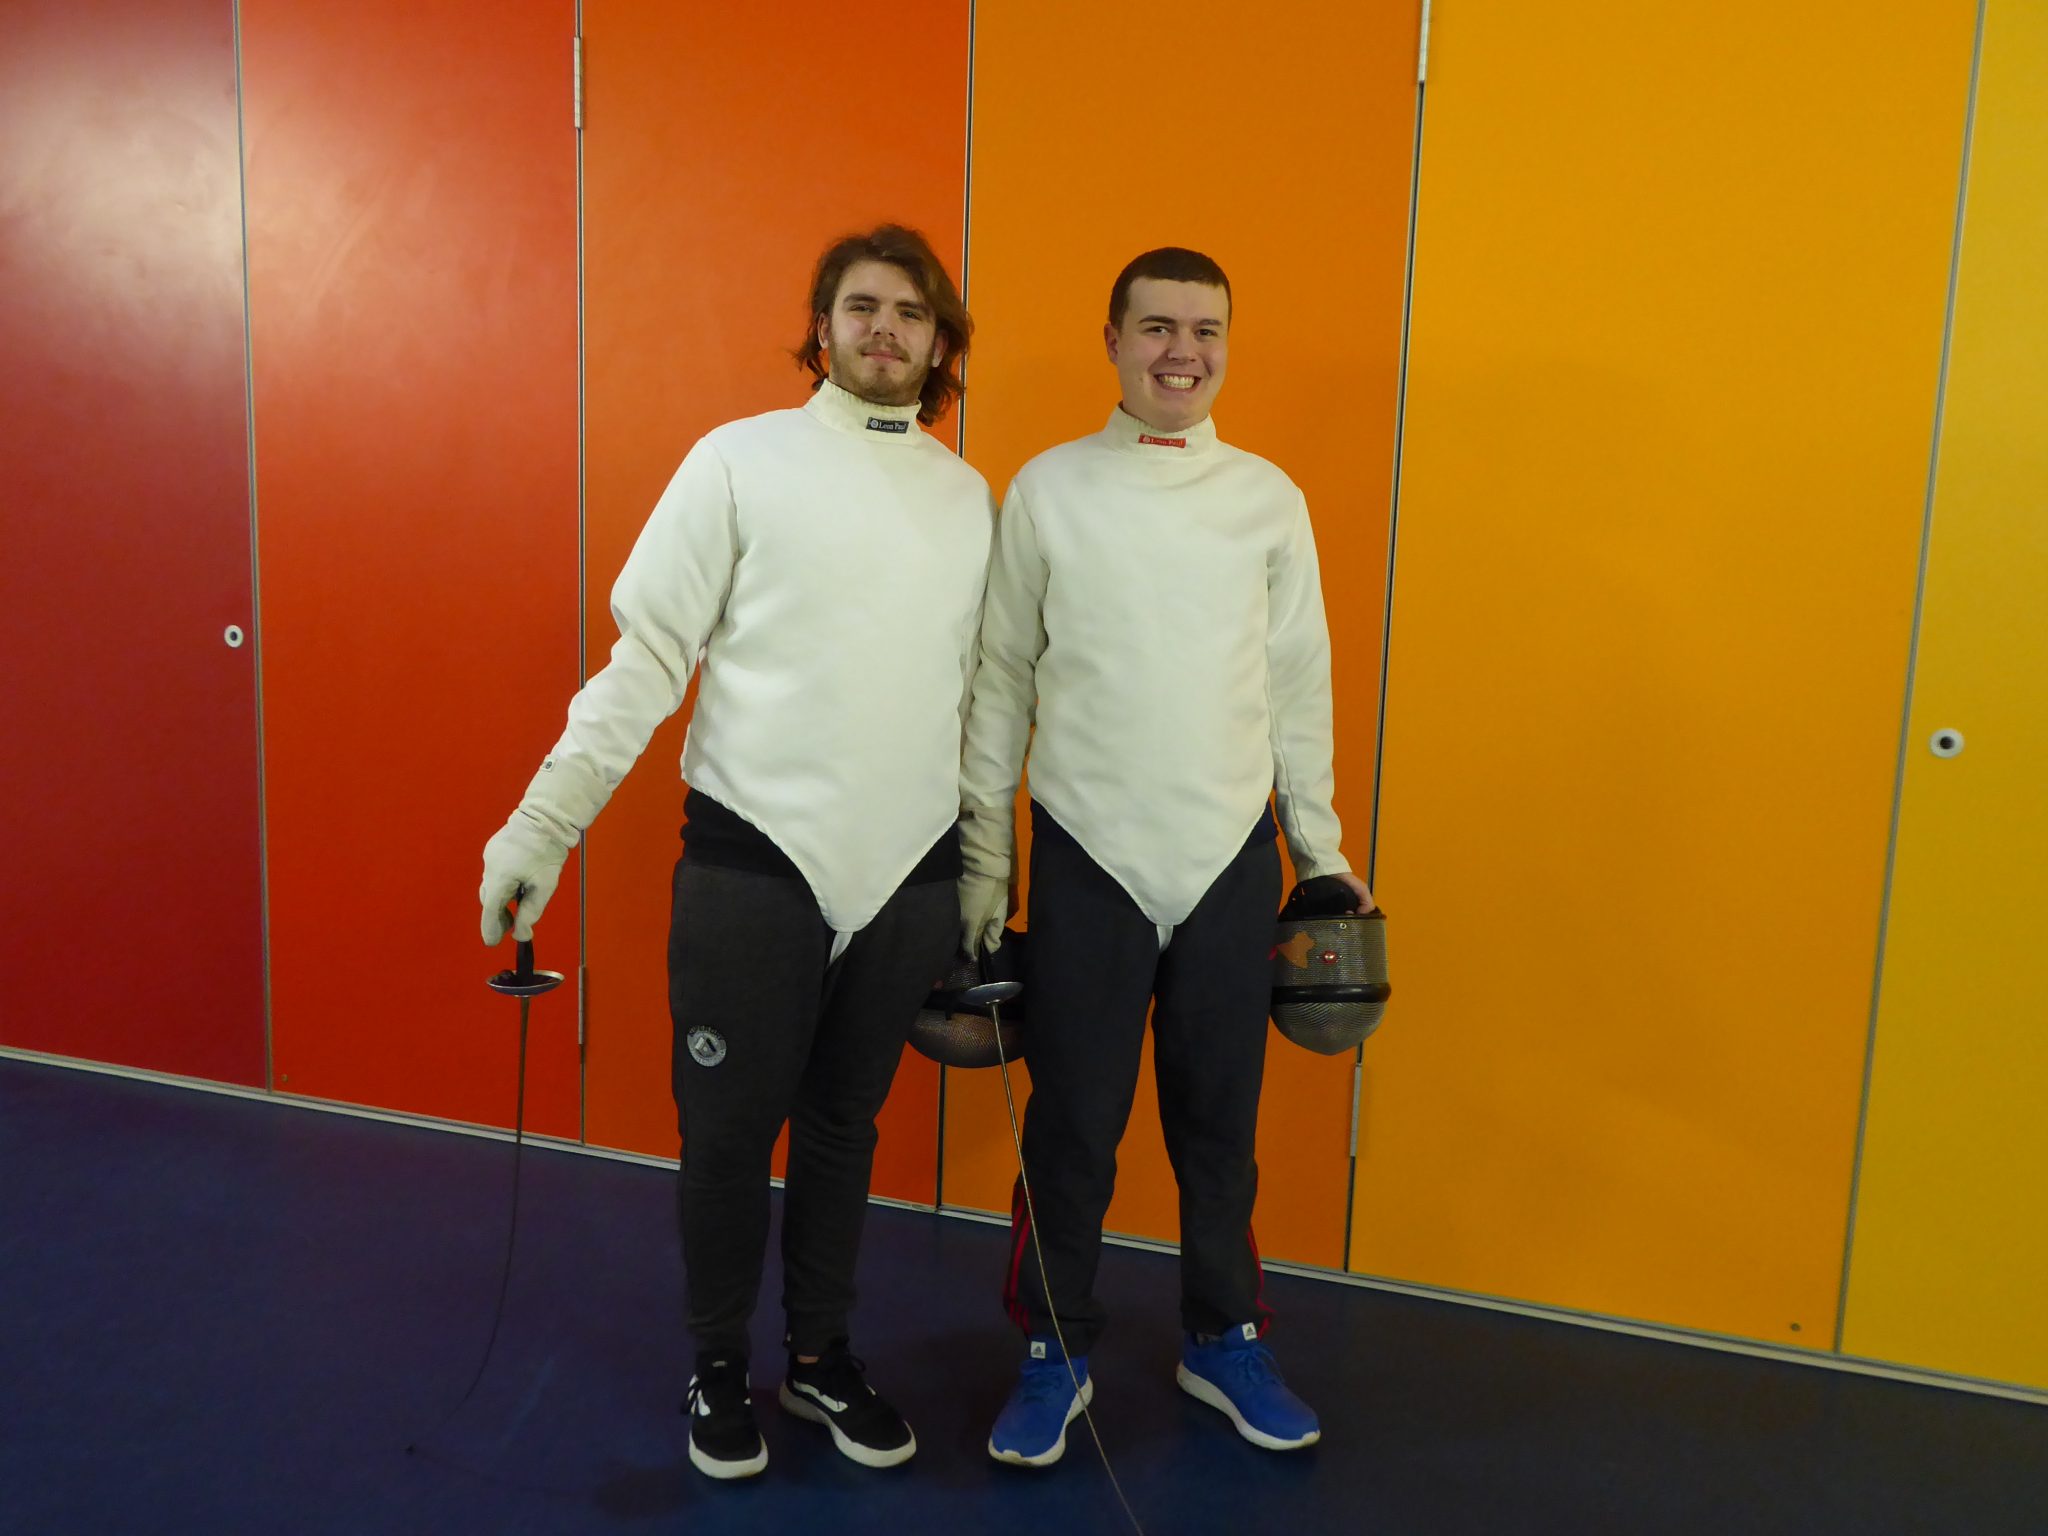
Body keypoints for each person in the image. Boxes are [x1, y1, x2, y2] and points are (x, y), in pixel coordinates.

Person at [479, 225, 992, 1481]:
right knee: (725, 1133)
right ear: (820, 327)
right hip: (754, 859)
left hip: (907, 871)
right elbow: (649, 657)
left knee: (843, 1129)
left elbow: (982, 697)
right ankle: (716, 1363)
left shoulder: (964, 496)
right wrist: (542, 822)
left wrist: (985, 863)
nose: (884, 329)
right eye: (861, 306)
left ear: (938, 341)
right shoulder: (738, 461)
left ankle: (818, 1357)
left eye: (909, 312)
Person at [957, 247, 1373, 1466]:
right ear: (1112, 340)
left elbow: (1297, 684)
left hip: (1228, 856)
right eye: (1156, 328)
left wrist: (1319, 853)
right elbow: (998, 681)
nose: (1180, 352)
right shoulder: (1047, 490)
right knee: (1073, 1128)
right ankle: (1053, 1350)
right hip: (1087, 852)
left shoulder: (1266, 498)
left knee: (1217, 1125)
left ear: (1225, 345)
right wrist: (986, 860)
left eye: (1203, 330)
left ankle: (1221, 1337)